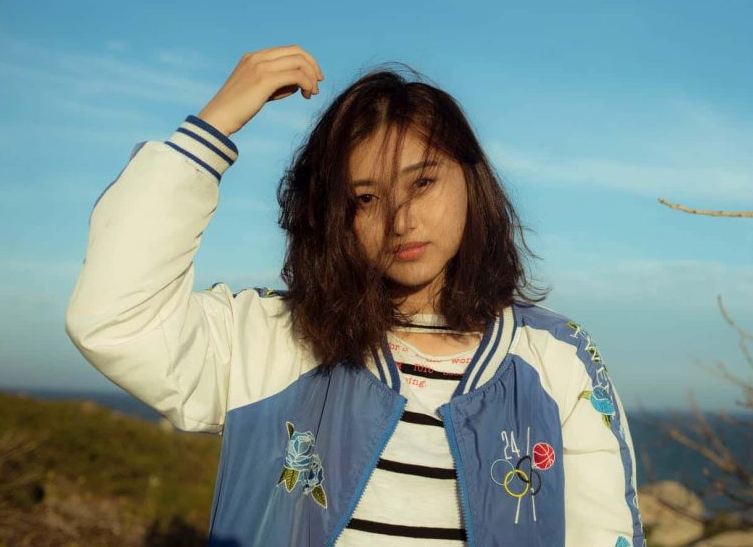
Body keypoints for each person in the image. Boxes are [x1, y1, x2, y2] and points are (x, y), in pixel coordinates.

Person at [65, 45, 646, 547]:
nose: (401, 220)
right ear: (332, 217)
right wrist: (211, 128)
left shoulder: (556, 359)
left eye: (422, 182)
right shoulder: (271, 339)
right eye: (365, 198)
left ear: (472, 179)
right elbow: (118, 319)